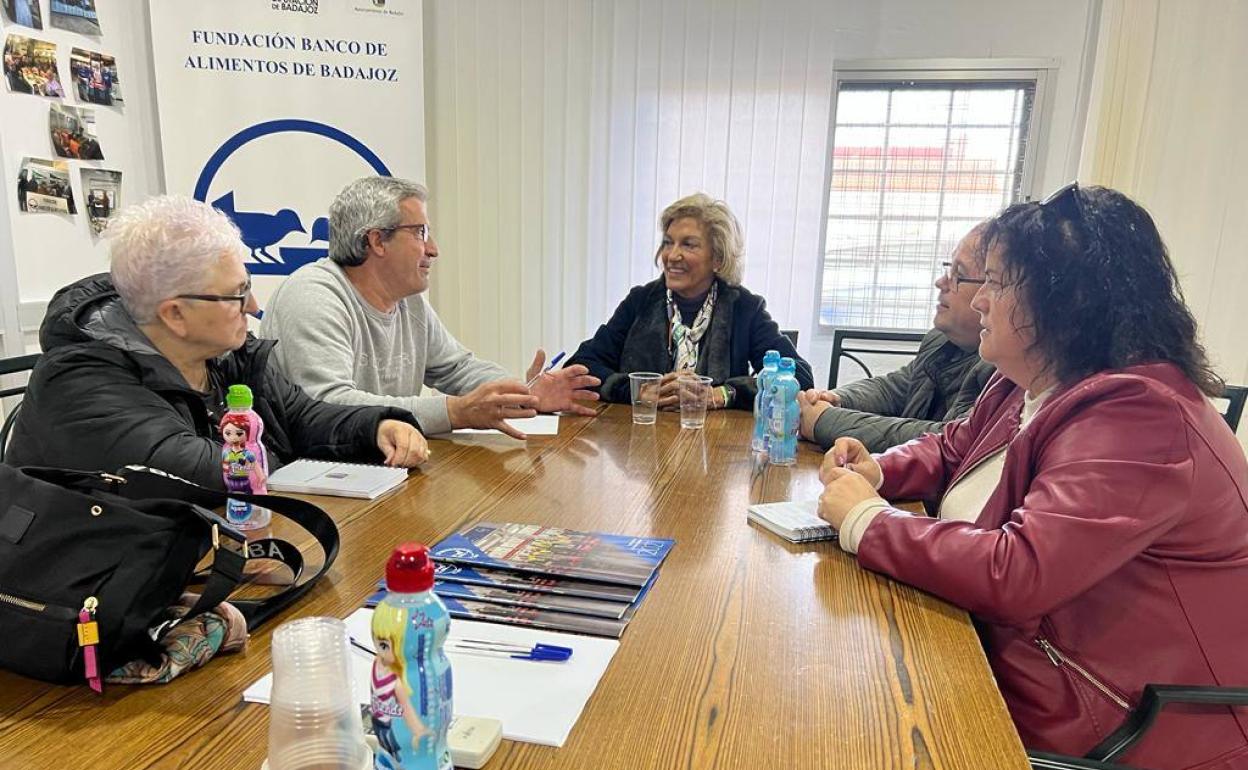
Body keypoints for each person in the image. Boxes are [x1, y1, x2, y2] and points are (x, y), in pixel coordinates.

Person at [815, 184, 1248, 769]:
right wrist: (879, 470)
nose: (978, 300)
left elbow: (1019, 572)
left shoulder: (1139, 415)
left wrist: (867, 521)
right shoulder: (1029, 378)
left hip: (1116, 720)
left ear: (1064, 302)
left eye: (995, 283)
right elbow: (952, 448)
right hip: (1005, 653)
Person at [5, 195, 430, 487]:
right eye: (235, 294)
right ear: (174, 314)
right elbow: (223, 474)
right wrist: (289, 459)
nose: (253, 305)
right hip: (86, 586)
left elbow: (300, 417)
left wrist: (374, 427)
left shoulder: (225, 353)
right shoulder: (80, 385)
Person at [260, 176, 600, 440]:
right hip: (316, 479)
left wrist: (523, 394)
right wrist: (453, 412)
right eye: (420, 233)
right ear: (377, 241)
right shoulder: (312, 296)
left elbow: (457, 368)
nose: (433, 249)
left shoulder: (408, 302)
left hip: (384, 467)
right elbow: (328, 405)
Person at [567, 193, 813, 410]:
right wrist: (638, 390)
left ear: (718, 258)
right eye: (668, 242)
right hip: (639, 435)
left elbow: (798, 376)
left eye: (688, 244)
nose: (672, 255)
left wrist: (724, 394)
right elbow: (582, 365)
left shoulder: (744, 308)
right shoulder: (640, 301)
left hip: (716, 440)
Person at [798, 224, 995, 452]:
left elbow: (947, 442)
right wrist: (836, 398)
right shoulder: (940, 341)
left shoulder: (1001, 370)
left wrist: (824, 421)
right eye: (949, 270)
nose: (941, 282)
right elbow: (894, 389)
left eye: (958, 275)